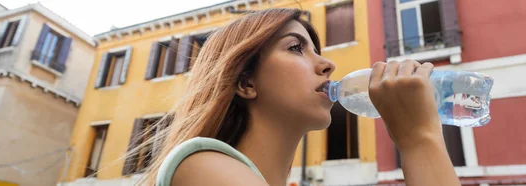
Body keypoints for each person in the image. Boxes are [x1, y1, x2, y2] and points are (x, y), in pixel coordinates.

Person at [136, 8, 460, 186]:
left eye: (316, 50)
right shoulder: (202, 168)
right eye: (296, 48)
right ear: (246, 82)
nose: (328, 64)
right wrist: (419, 139)